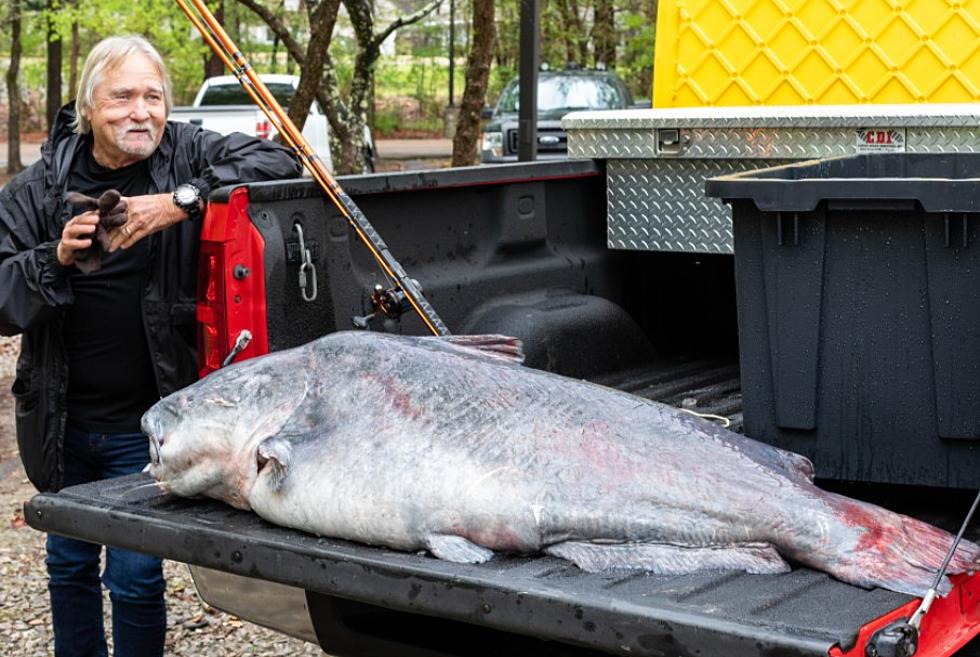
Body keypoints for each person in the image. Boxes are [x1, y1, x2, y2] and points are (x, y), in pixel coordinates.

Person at [0, 36, 301, 657]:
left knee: (136, 577)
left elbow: (282, 163)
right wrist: (53, 260)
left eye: (153, 96)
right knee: (69, 563)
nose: (141, 111)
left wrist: (179, 202)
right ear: (88, 107)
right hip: (62, 421)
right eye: (123, 96)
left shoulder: (186, 153)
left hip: (152, 422)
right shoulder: (33, 191)